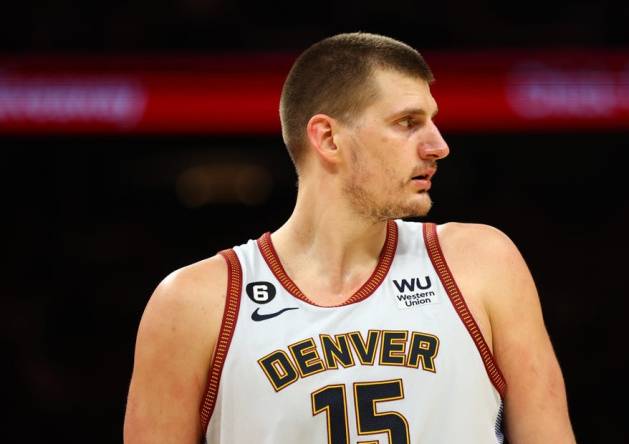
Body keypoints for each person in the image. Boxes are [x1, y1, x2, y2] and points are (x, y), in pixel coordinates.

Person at [124, 32, 576, 443]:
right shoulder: (192, 304)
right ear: (328, 139)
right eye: (407, 122)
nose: (438, 145)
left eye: (432, 121)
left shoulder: (480, 263)